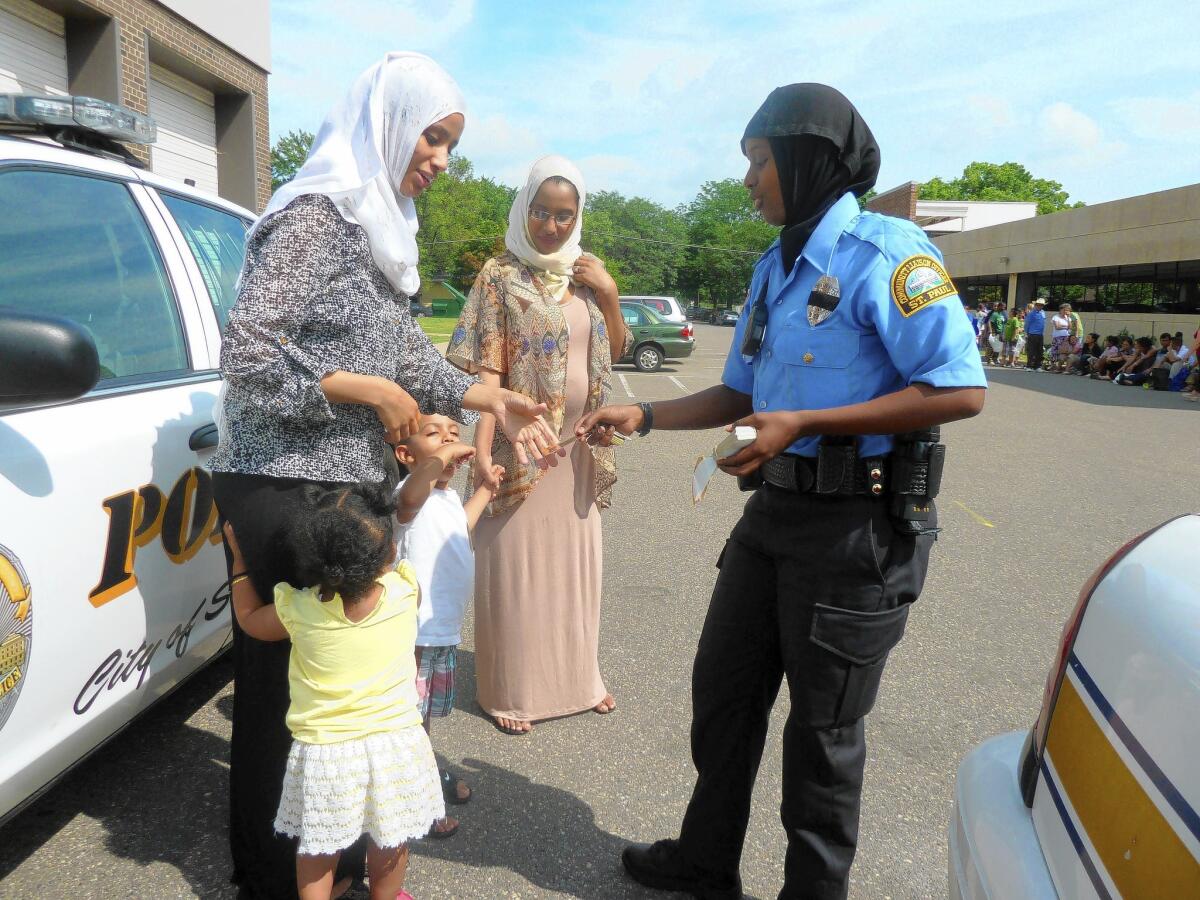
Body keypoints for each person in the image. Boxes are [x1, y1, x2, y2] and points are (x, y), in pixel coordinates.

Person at [577, 83, 985, 900]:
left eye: (759, 161)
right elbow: (739, 395)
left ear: (806, 161)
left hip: (857, 532)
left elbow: (958, 387)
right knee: (722, 696)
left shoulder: (889, 253)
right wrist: (645, 412)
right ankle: (706, 861)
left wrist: (803, 422)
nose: (748, 180)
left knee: (823, 739)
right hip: (774, 517)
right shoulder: (774, 269)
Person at [209, 53, 560, 899]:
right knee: (291, 695)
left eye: (448, 145)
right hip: (284, 478)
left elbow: (405, 353)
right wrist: (364, 391)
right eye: (432, 139)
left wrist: (496, 398)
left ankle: (339, 853)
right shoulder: (315, 216)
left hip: (350, 483)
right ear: (388, 124)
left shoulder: (378, 224)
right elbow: (246, 355)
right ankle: (271, 873)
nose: (439, 160)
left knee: (347, 687)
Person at [447, 156, 630, 736]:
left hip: (579, 447)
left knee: (574, 571)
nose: (552, 226)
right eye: (542, 212)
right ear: (524, 209)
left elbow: (615, 353)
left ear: (578, 218)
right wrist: (482, 454)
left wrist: (611, 293)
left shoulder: (585, 274)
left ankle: (580, 678)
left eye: (564, 215)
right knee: (517, 570)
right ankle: (512, 687)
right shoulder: (500, 275)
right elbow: (486, 373)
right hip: (519, 448)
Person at [222, 485, 443, 900]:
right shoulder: (403, 591)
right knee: (390, 839)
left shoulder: (299, 609)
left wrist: (239, 563)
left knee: (318, 847)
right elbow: (398, 543)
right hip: (396, 743)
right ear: (387, 555)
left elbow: (251, 619)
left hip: (328, 751)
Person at [392, 413, 504, 837]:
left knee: (421, 718)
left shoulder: (446, 498)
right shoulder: (409, 493)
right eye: (433, 435)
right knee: (408, 719)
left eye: (455, 434)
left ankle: (419, 780)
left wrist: (484, 490)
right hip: (416, 632)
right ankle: (418, 802)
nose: (448, 441)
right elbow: (411, 499)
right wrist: (440, 460)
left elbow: (461, 526)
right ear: (406, 455)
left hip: (441, 630)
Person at [1049, 303, 1073, 372]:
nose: (1066, 311)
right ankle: (1053, 365)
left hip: (1065, 337)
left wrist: (1068, 318)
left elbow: (1070, 327)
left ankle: (1059, 367)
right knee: (1055, 351)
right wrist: (1066, 327)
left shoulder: (1068, 318)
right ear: (1061, 309)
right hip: (1057, 337)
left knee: (1063, 352)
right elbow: (1057, 327)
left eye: (1067, 310)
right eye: (1065, 310)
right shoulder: (1056, 317)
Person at [1024, 298, 1046, 370]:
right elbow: (1027, 324)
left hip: (1040, 334)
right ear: (1035, 305)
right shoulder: (1031, 313)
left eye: (1042, 305)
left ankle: (1037, 366)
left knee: (1039, 351)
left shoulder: (1043, 312)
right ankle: (1029, 366)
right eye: (1038, 305)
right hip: (1032, 334)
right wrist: (1026, 333)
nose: (1040, 306)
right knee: (1031, 351)